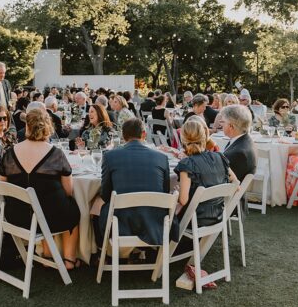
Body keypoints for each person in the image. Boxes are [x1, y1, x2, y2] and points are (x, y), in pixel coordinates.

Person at [0, 109, 80, 269]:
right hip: (50, 218)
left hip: (16, 217)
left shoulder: (10, 153)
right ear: (47, 127)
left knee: (42, 205)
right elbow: (68, 191)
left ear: (27, 127)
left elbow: (3, 187)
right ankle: (69, 259)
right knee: (72, 209)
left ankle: (48, 255)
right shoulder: (55, 153)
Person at [172, 120, 238, 286]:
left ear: (183, 139)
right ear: (204, 137)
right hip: (217, 216)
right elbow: (235, 182)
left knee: (167, 209)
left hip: (196, 220)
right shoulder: (220, 157)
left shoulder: (187, 164)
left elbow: (184, 200)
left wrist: (177, 191)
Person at [90, 118, 172, 248]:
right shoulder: (162, 157)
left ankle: (103, 251)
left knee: (95, 204)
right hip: (154, 222)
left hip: (121, 223)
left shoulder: (110, 156)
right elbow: (165, 191)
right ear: (144, 134)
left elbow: (106, 195)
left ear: (123, 136)